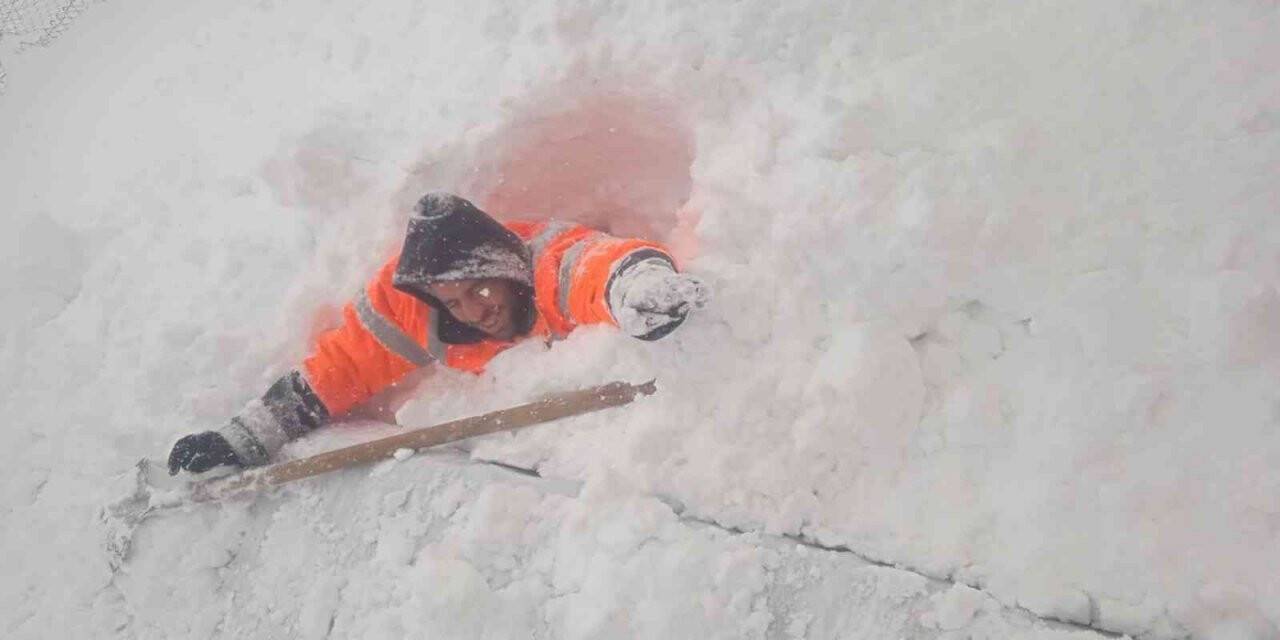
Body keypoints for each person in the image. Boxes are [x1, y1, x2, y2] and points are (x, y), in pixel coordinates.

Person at [167, 192, 708, 473]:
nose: (474, 311)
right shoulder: (411, 309)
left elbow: (597, 266)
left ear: (506, 267)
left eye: (481, 290)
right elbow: (341, 369)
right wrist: (244, 438)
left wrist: (637, 289)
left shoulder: (546, 264)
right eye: (454, 302)